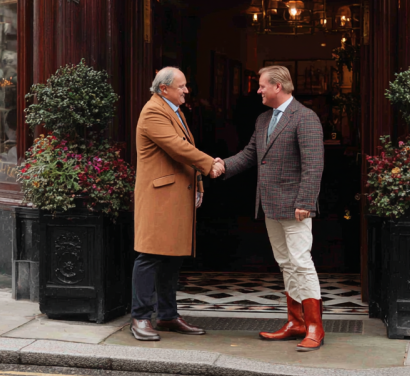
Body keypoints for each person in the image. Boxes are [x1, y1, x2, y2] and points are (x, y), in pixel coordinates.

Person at [215, 65, 325, 351]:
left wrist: (305, 201)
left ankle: (315, 327)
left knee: (302, 262)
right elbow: (250, 155)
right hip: (270, 204)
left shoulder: (305, 117)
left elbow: (314, 166)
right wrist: (221, 165)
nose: (258, 90)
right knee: (286, 263)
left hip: (295, 206)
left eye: (262, 86)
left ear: (278, 86)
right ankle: (296, 322)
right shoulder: (264, 119)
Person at [132, 66, 224, 341]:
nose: (186, 90)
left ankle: (167, 316)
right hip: (159, 197)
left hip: (175, 195)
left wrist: (198, 185)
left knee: (171, 258)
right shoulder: (153, 111)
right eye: (181, 86)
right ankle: (140, 317)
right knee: (149, 256)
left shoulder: (173, 110)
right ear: (164, 88)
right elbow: (177, 147)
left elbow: (182, 153)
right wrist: (211, 165)